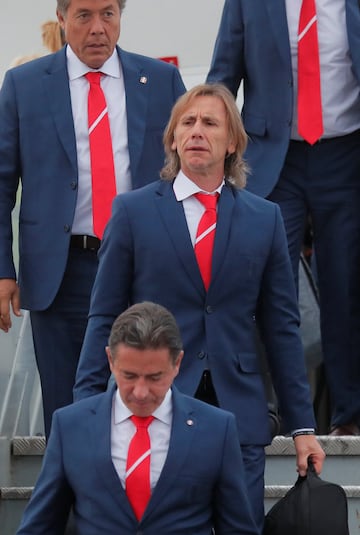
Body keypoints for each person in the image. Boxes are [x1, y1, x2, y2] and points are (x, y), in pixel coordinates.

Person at [74, 83, 325, 531]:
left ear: (232, 142)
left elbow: (282, 327)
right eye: (187, 123)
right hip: (156, 405)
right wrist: (87, 408)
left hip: (240, 413)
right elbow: (104, 317)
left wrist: (303, 427)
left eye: (210, 123)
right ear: (172, 138)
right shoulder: (132, 212)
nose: (196, 131)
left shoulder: (264, 218)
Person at [0, 0, 186, 439]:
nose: (98, 28)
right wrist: (3, 269)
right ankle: (74, 505)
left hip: (143, 264)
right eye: (84, 16)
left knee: (146, 400)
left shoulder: (160, 81)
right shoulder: (24, 86)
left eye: (108, 14)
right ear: (62, 19)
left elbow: (183, 176)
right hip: (61, 271)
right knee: (67, 410)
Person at [206, 0, 360, 436]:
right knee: (264, 285)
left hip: (347, 153)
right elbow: (222, 76)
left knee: (345, 286)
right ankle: (270, 412)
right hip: (274, 156)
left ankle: (348, 416)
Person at [16, 302, 259, 535]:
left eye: (154, 378)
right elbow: (40, 526)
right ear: (110, 360)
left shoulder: (217, 429)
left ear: (177, 364)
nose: (141, 392)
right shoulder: (70, 426)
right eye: (129, 376)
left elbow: (237, 528)